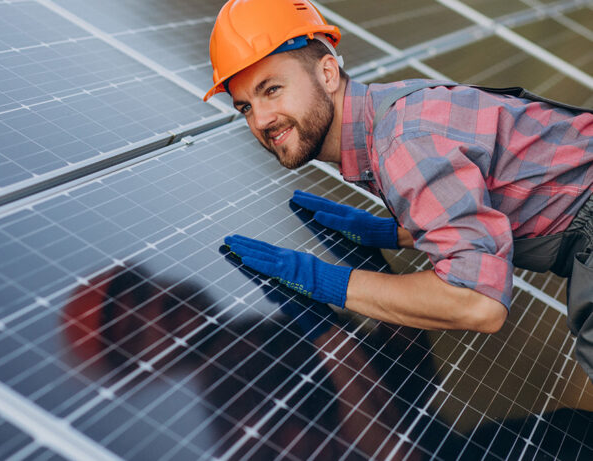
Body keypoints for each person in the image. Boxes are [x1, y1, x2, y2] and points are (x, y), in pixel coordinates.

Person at [202, 0, 593, 378]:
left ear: (327, 73)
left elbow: (478, 301)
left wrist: (321, 280)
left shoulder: (401, 143)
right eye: (245, 107)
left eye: (271, 89)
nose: (261, 120)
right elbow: (481, 188)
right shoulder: (390, 110)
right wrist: (396, 233)